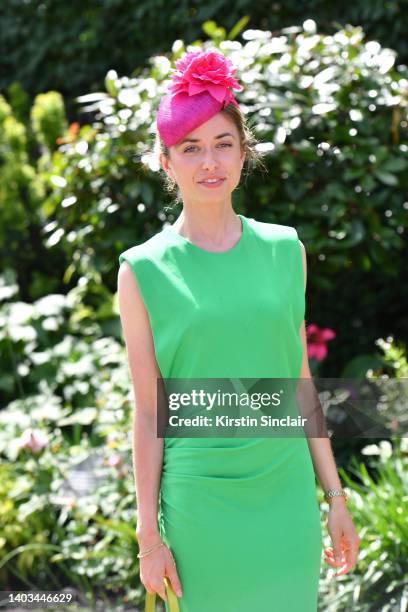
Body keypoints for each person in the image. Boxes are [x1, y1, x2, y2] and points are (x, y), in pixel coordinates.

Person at [117, 48, 361, 612]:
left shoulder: (284, 249)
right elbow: (149, 409)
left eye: (223, 144)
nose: (210, 162)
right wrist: (148, 539)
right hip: (199, 505)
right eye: (191, 148)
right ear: (165, 161)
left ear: (243, 152)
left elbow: (299, 379)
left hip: (285, 499)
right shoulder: (143, 270)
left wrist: (335, 496)